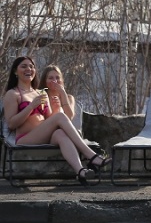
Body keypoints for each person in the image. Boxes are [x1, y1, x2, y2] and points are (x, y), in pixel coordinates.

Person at [2, 56, 109, 185]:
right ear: (15, 71)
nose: (28, 69)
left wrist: (57, 108)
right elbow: (12, 123)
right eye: (23, 66)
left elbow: (49, 120)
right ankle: (90, 155)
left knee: (60, 134)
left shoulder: (40, 93)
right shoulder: (13, 94)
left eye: (31, 66)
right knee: (59, 117)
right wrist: (31, 107)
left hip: (44, 136)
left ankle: (80, 171)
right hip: (25, 139)